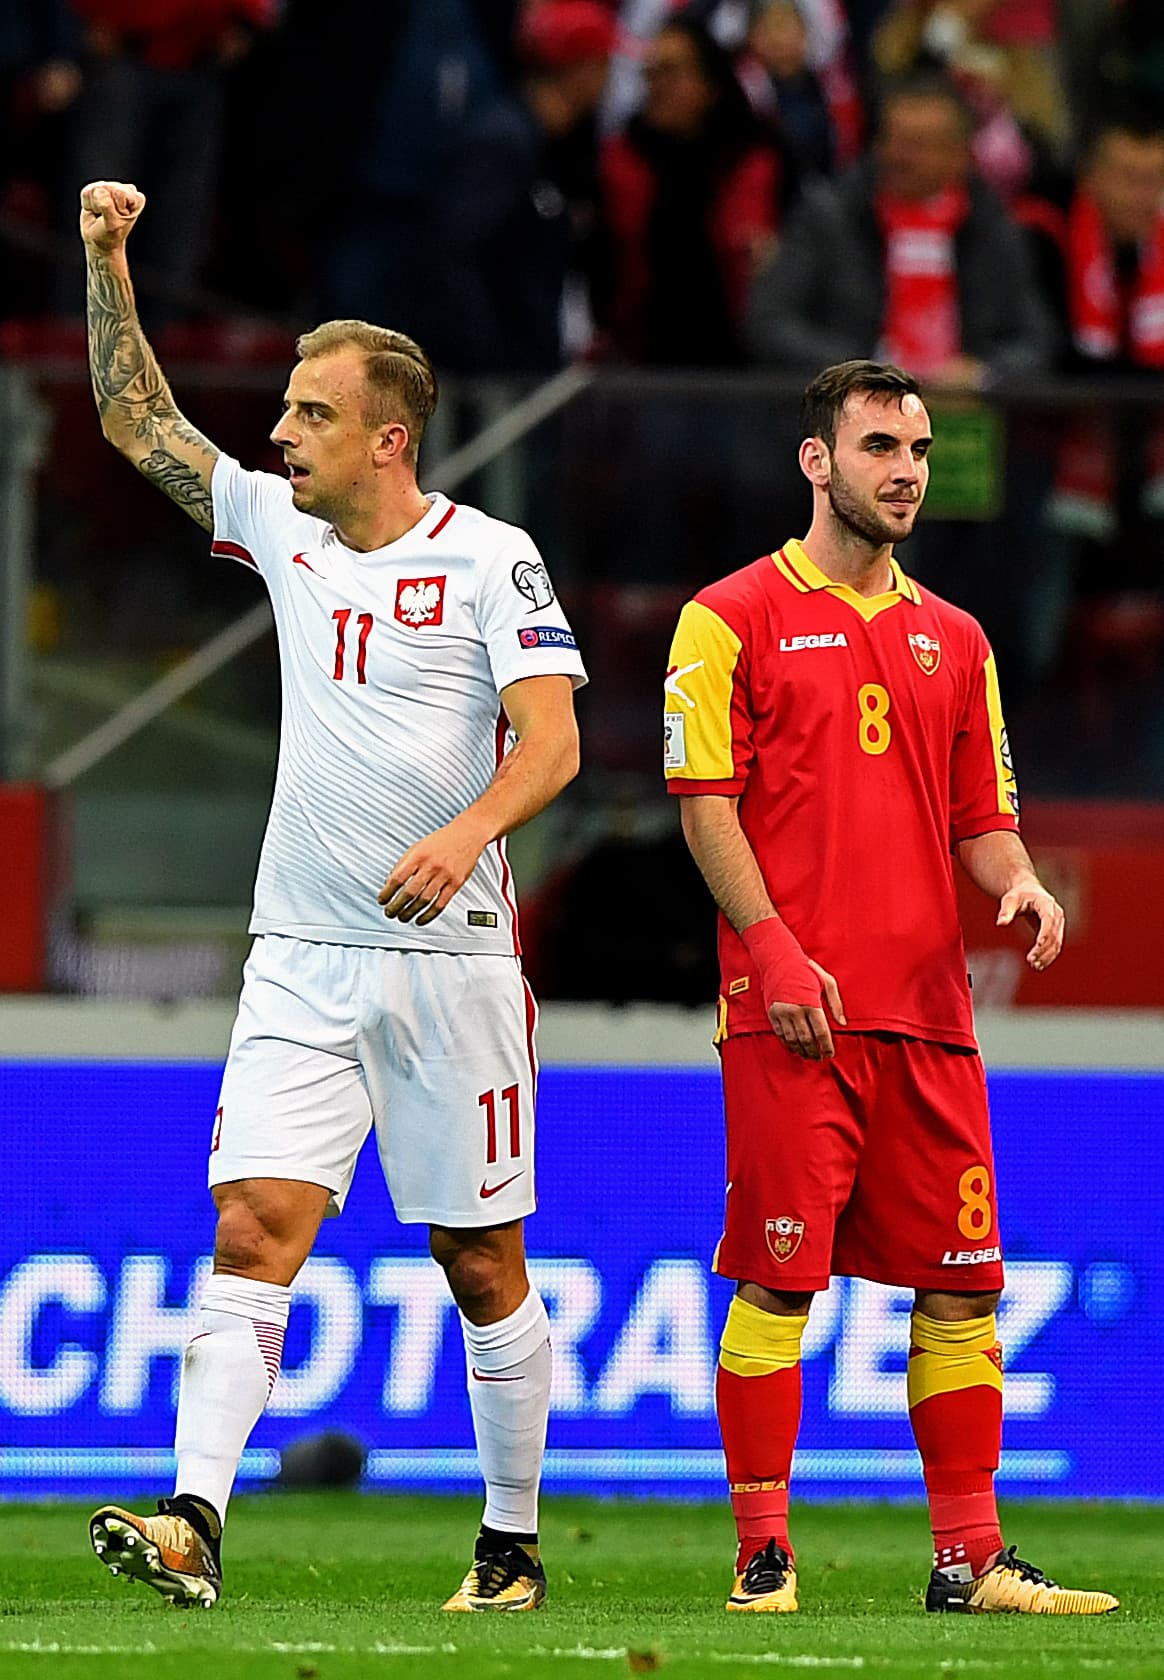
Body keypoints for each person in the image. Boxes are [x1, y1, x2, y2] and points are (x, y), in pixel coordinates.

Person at [78, 180, 585, 1613]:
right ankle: (195, 1520)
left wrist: (465, 832)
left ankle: (509, 1543)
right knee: (253, 1231)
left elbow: (553, 744)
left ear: (387, 435)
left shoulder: (490, 559)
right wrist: (107, 258)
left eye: (309, 413)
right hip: (301, 954)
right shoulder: (282, 534)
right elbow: (137, 424)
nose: (280, 433)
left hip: (452, 960)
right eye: (284, 410)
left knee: (481, 1262)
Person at [663, 359, 1120, 1617]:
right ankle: (765, 1557)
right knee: (777, 1280)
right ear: (818, 461)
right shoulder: (728, 617)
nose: (904, 469)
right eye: (878, 446)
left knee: (965, 1284)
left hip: (929, 1013)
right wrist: (770, 948)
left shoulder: (957, 639)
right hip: (792, 1012)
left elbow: (983, 819)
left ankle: (968, 1560)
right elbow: (705, 808)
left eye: (917, 449)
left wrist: (1018, 881)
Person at [748, 77, 1052, 388]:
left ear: (960, 156)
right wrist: (862, 371)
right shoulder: (828, 217)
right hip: (853, 412)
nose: (898, 156)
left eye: (917, 145)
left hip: (965, 415)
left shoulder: (994, 228)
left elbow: (1035, 340)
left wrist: (983, 374)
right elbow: (771, 322)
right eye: (892, 140)